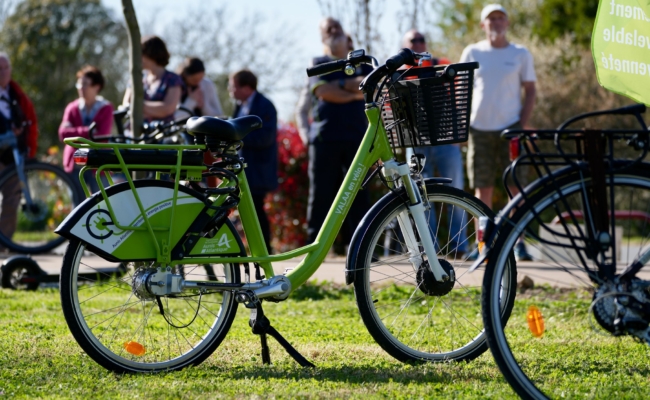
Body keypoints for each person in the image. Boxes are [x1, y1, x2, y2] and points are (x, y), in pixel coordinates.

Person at [459, 4, 537, 261]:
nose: (496, 23)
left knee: (517, 188)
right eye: (490, 19)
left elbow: (531, 90)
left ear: (508, 23)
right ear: (483, 25)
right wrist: (460, 127)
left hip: (511, 129)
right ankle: (483, 246)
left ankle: (518, 244)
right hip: (478, 130)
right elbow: (461, 91)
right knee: (483, 189)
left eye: (500, 18)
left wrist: (523, 124)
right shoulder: (472, 51)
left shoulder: (520, 54)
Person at [306, 18, 372, 248]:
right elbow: (324, 92)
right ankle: (313, 246)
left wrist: (340, 85)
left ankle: (363, 246)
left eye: (337, 28)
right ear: (323, 37)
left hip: (357, 138)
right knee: (322, 194)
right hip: (325, 139)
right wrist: (352, 89)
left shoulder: (362, 62)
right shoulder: (319, 62)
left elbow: (368, 85)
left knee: (359, 192)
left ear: (346, 33)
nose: (334, 32)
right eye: (328, 30)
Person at [403, 29, 469, 258]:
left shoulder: (442, 65)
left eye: (421, 40)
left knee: (455, 193)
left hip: (445, 141)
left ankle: (459, 248)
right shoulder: (401, 73)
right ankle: (427, 249)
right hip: (416, 143)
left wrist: (459, 131)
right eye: (413, 41)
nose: (418, 44)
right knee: (420, 199)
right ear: (405, 46)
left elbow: (459, 96)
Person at [228, 69, 278, 254]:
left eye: (233, 86)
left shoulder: (265, 106)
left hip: (258, 170)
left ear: (247, 88)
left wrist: (238, 137)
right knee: (247, 211)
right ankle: (256, 248)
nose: (230, 90)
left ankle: (265, 249)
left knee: (257, 210)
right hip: (244, 169)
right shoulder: (239, 106)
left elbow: (266, 137)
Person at [0, 52, 38, 243]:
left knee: (12, 199)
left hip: (13, 156)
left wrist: (29, 149)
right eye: (0, 68)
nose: (3, 72)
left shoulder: (18, 95)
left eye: (6, 68)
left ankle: (4, 243)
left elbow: (31, 123)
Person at [59, 65, 113, 193]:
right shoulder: (72, 108)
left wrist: (74, 133)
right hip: (75, 164)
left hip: (98, 164)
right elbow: (63, 134)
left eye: (85, 85)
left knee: (103, 203)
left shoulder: (106, 108)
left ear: (96, 87)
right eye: (79, 85)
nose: (81, 89)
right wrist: (89, 131)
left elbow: (101, 137)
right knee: (77, 206)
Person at [123, 35, 182, 124]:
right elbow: (126, 104)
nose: (137, 58)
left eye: (140, 54)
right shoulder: (136, 78)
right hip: (134, 133)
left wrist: (137, 106)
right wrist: (154, 109)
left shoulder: (173, 79)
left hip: (162, 134)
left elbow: (167, 109)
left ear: (152, 53)